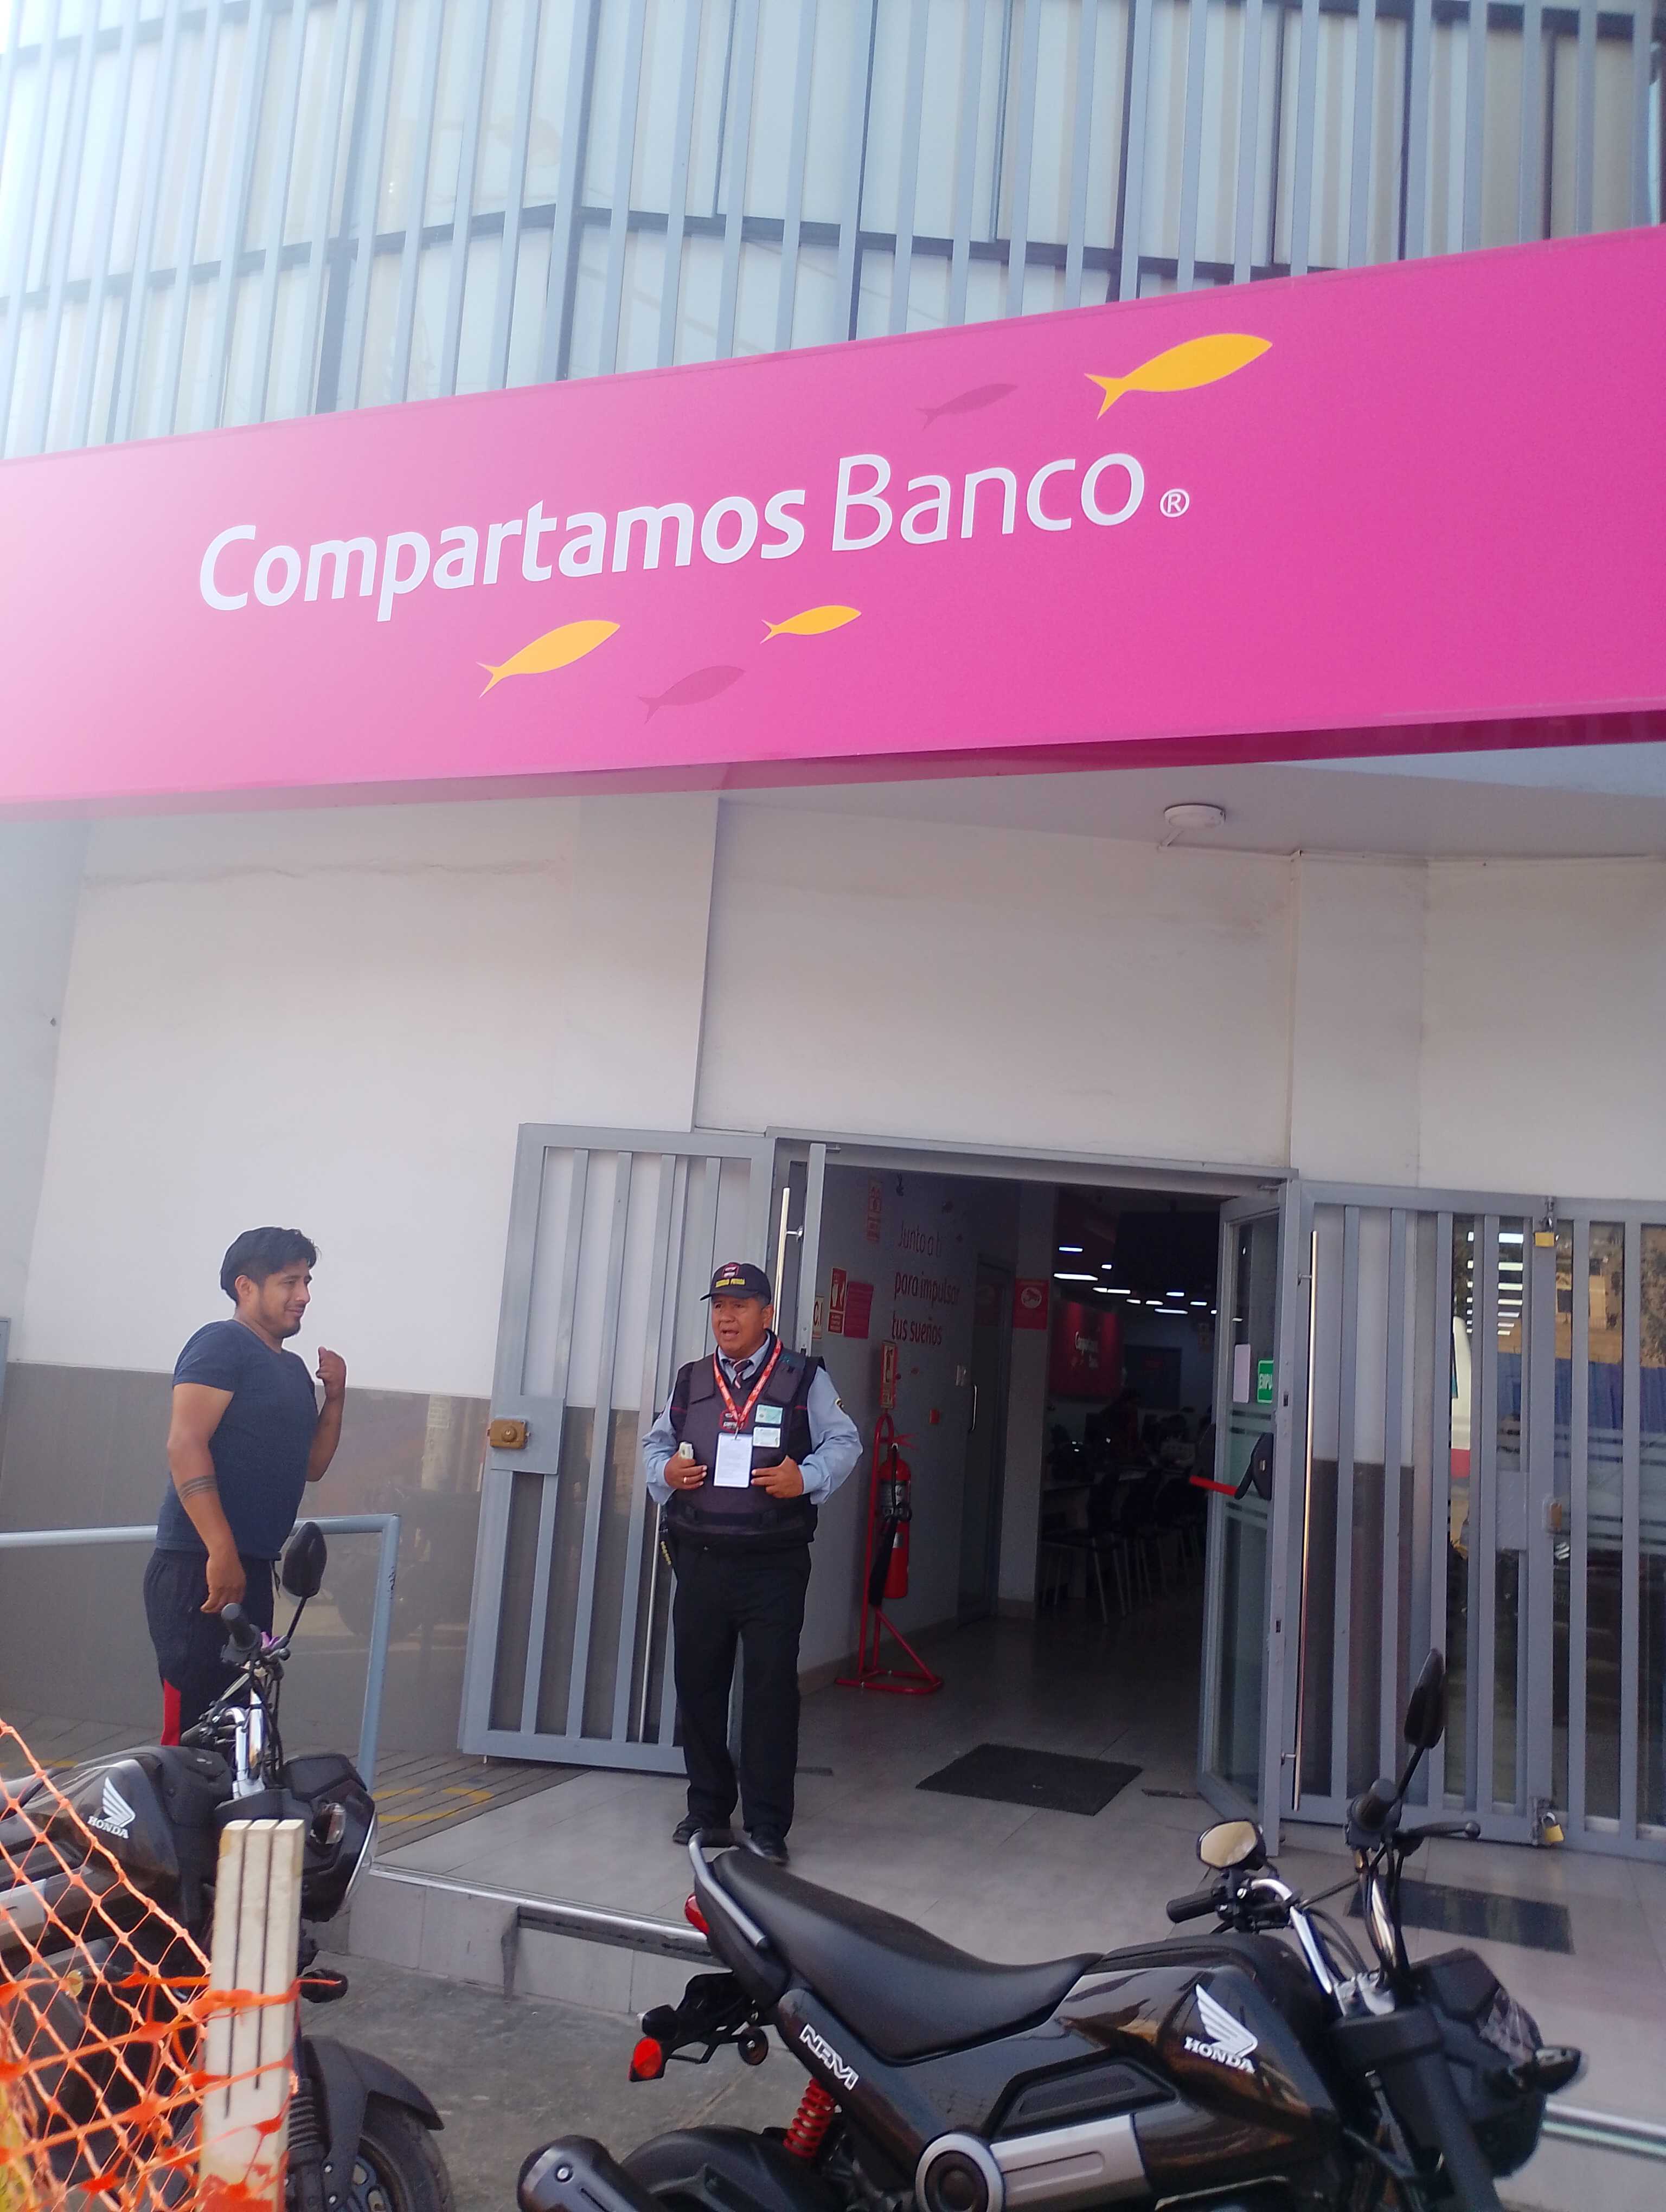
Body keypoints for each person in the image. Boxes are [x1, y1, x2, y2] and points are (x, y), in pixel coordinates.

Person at [642, 1261, 861, 1865]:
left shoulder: (803, 1377)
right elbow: (656, 1446)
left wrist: (805, 1478)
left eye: (740, 1306)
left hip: (773, 1564)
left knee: (770, 1693)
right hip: (701, 1558)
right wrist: (665, 1471)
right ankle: (709, 1810)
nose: (727, 1317)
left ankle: (767, 1824)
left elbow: (845, 1441)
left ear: (767, 1314)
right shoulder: (692, 1379)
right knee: (699, 1687)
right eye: (719, 1306)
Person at [143, 1227, 347, 1741]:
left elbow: (312, 1465)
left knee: (242, 1734)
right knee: (195, 1735)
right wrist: (220, 1551)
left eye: (307, 1281)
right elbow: (185, 1444)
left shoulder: (293, 1370)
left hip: (252, 1568)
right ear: (245, 1287)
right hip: (199, 1566)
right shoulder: (221, 1344)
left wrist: (336, 1398)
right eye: (289, 1282)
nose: (304, 1295)